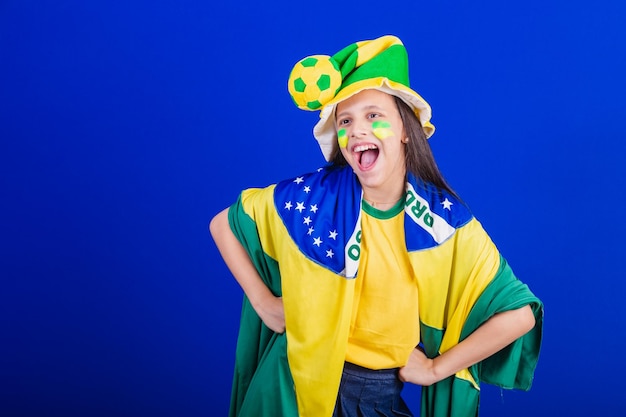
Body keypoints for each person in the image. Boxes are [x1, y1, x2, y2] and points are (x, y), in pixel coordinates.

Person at [209, 35, 543, 417]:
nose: (357, 131)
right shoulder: (312, 200)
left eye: (374, 115)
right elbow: (225, 224)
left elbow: (520, 315)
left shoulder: (444, 224)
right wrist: (264, 303)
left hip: (378, 398)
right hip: (292, 389)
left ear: (405, 129)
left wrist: (436, 369)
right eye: (345, 121)